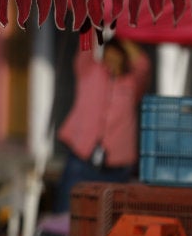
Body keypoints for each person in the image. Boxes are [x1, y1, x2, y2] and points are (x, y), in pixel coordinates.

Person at [54, 37, 151, 213]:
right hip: (82, 159)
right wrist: (92, 17)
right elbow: (85, 47)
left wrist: (124, 35)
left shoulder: (132, 83)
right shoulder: (90, 73)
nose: (112, 59)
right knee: (68, 212)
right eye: (109, 54)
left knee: (109, 218)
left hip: (117, 166)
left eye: (118, 55)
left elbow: (143, 65)